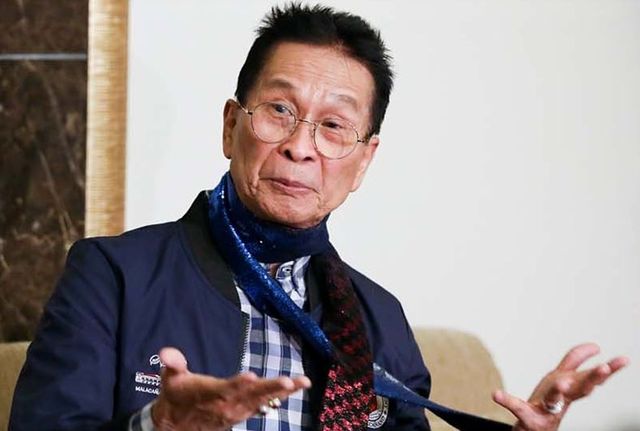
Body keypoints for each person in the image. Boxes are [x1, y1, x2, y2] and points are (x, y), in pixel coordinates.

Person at [9, 4, 628, 431]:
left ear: (363, 162)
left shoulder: (379, 320)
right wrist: (157, 425)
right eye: (279, 110)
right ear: (231, 125)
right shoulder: (112, 275)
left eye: (334, 126)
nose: (300, 147)